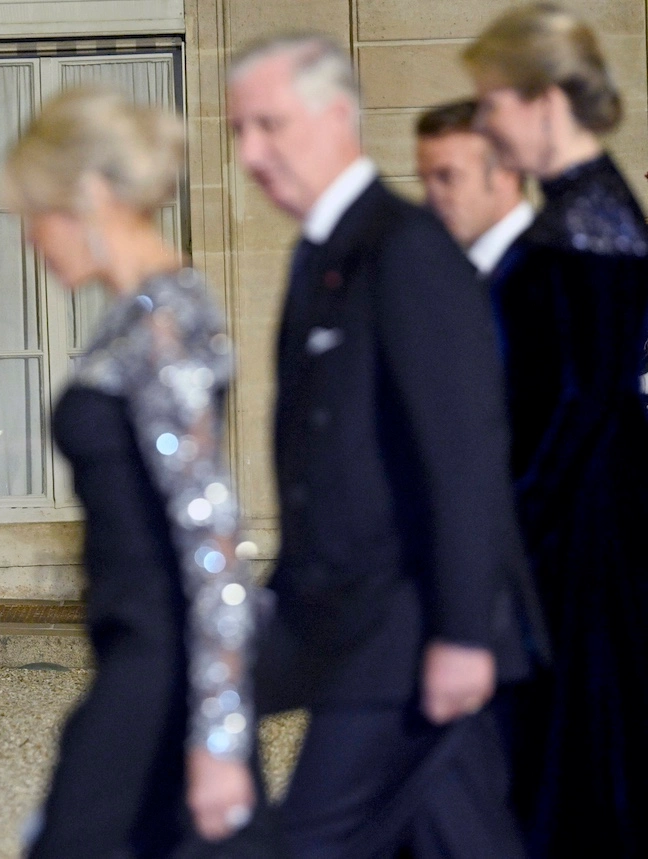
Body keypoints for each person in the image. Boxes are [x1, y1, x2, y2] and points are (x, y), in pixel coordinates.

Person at [226, 34, 542, 858]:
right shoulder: (323, 251)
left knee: (309, 841)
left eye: (269, 125)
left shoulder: (407, 250)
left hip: (408, 633)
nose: (251, 154)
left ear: (336, 118)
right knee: (462, 836)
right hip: (352, 621)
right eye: (239, 132)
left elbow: (465, 453)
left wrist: (466, 634)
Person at [1, 88, 279, 858]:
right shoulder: (139, 314)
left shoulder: (165, 323)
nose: (29, 239)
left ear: (91, 195)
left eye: (35, 213)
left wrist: (220, 732)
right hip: (139, 655)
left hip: (162, 669)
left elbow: (213, 537)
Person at [464, 6, 648, 856]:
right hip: (574, 514)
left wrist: (507, 527)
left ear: (545, 99)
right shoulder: (583, 209)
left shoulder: (589, 223)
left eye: (494, 103)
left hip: (573, 529)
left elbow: (577, 404)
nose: (488, 125)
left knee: (571, 756)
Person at [415, 99, 534, 277]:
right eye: (424, 180)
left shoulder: (558, 270)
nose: (430, 198)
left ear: (506, 172)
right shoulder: (439, 268)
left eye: (447, 177)